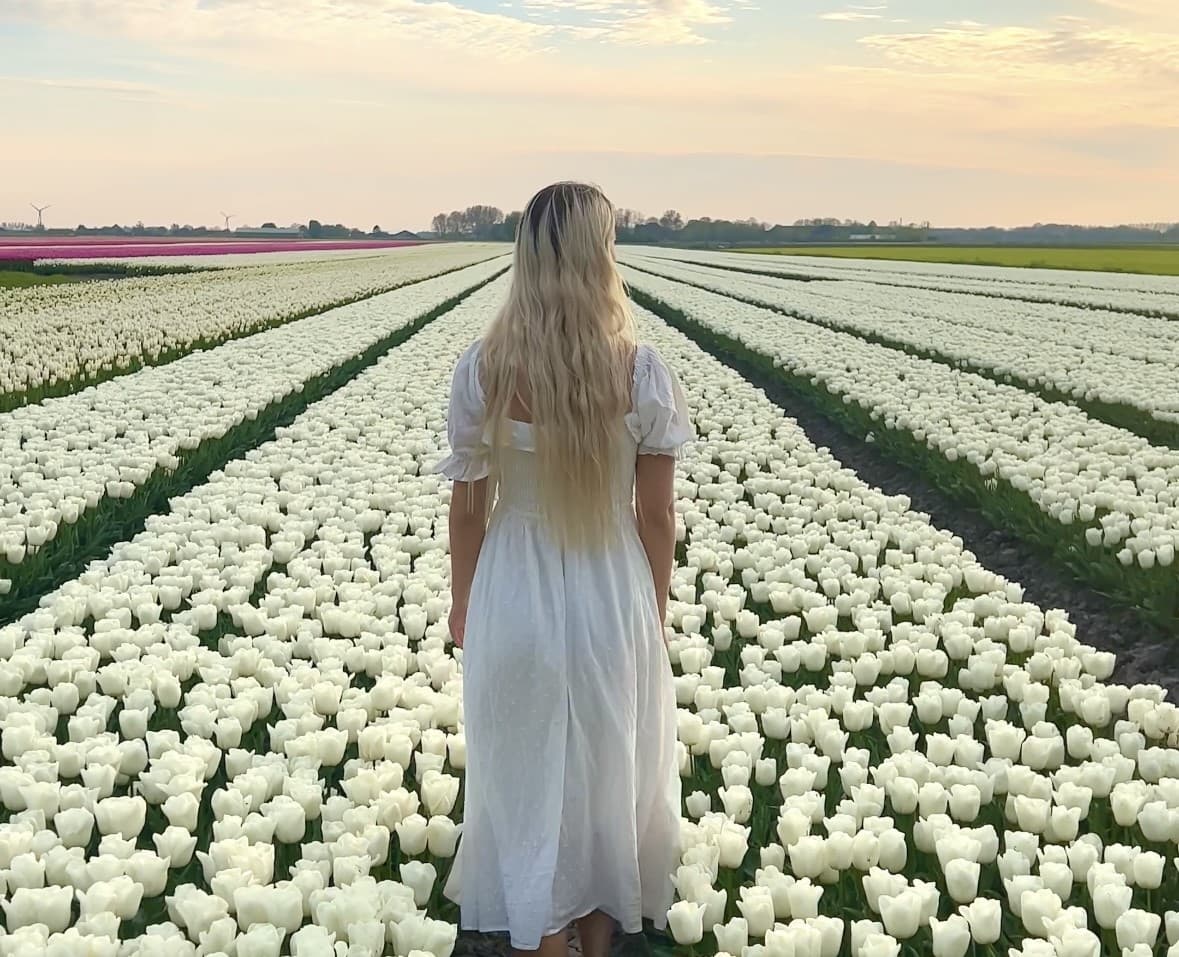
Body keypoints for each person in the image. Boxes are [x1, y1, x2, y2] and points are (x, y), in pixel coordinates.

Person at [437, 181, 693, 956]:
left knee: (521, 774)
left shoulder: (482, 369)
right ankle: (595, 937)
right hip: (609, 588)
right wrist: (651, 608)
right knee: (606, 775)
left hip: (513, 588)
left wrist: (463, 605)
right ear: (599, 256)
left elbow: (466, 510)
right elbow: (655, 516)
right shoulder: (640, 370)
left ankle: (542, 940)